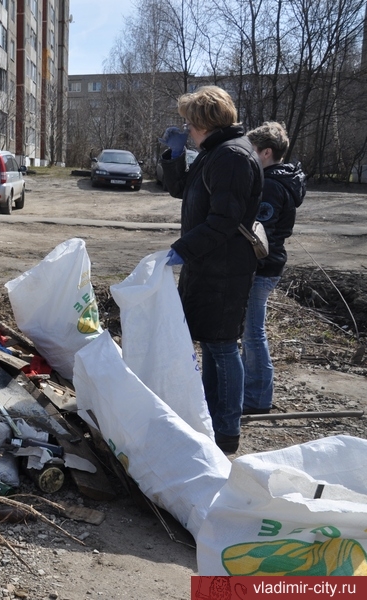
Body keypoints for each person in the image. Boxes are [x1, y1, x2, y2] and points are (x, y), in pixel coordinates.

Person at [158, 86, 263, 454]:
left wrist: (181, 250)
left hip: (223, 270)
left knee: (221, 347)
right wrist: (173, 157)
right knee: (213, 343)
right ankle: (210, 416)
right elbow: (182, 190)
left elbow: (223, 220)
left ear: (205, 122)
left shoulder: (231, 157)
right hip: (209, 265)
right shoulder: (214, 153)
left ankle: (226, 430)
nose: (185, 128)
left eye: (189, 122)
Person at [242, 122, 306, 415]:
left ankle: (257, 399)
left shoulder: (269, 184)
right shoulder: (282, 180)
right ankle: (252, 392)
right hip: (270, 266)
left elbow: (259, 232)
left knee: (253, 333)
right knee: (252, 330)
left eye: (252, 151)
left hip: (262, 267)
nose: (249, 156)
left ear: (266, 152)